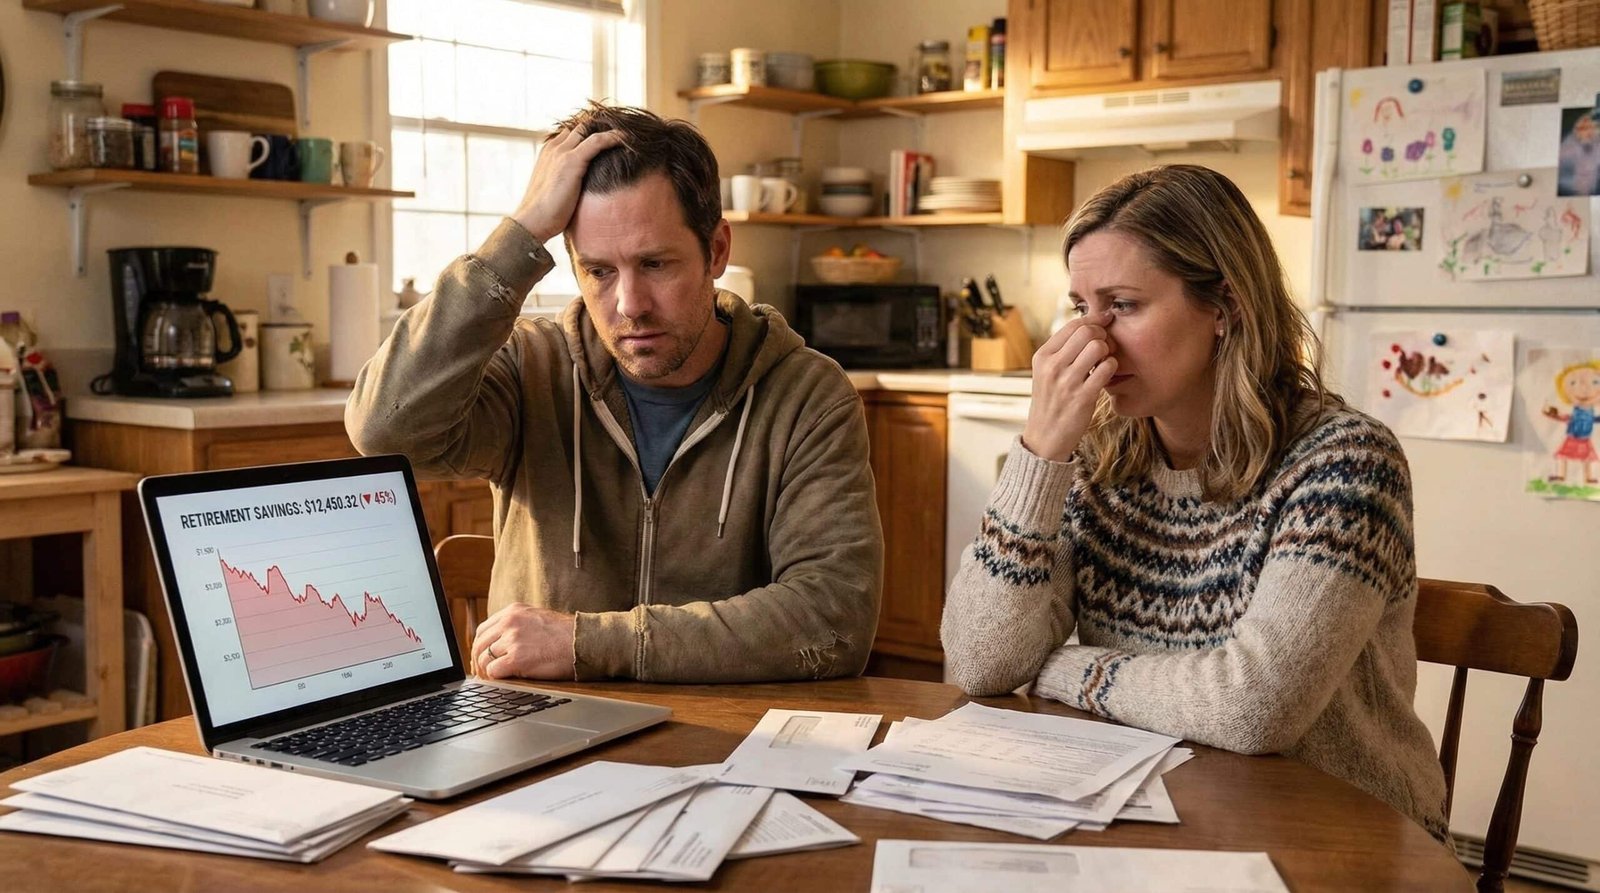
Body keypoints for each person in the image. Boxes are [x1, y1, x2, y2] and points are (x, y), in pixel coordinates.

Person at [940, 164, 1451, 844]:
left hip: (1340, 842)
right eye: (1079, 308)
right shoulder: (1095, 464)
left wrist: (1060, 667)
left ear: (1225, 307)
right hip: (1164, 820)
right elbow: (978, 663)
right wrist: (1039, 453)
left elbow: (1251, 707)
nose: (1090, 340)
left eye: (1122, 305)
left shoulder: (1345, 463)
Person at [347, 104, 883, 684]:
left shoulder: (807, 395)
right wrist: (521, 234)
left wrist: (589, 643)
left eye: (655, 264)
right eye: (599, 271)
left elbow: (833, 618)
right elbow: (383, 429)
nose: (630, 304)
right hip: (543, 738)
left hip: (727, 741)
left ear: (717, 251)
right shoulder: (532, 367)